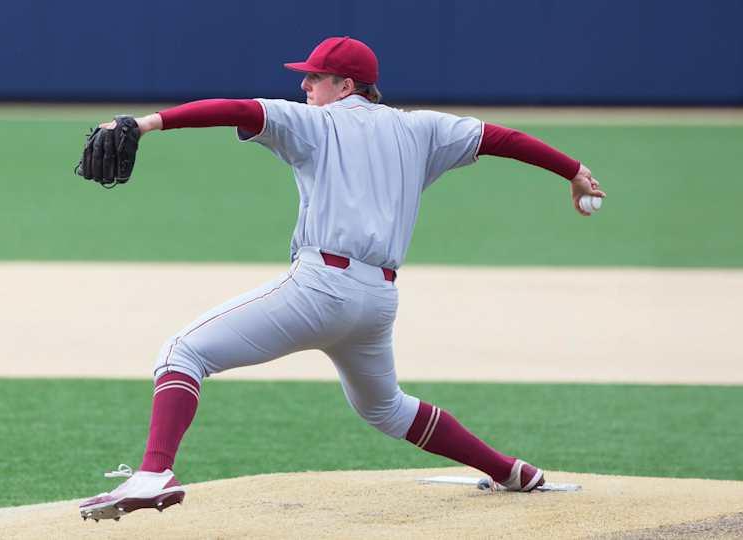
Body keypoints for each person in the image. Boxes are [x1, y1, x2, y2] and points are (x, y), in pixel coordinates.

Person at [78, 36, 606, 521]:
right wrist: (573, 170)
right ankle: (512, 471)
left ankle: (154, 474)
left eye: (314, 77)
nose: (304, 85)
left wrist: (144, 124)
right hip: (376, 301)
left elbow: (237, 110)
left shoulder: (315, 122)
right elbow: (503, 138)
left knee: (181, 353)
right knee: (386, 408)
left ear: (346, 86)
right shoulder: (422, 128)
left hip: (321, 289)